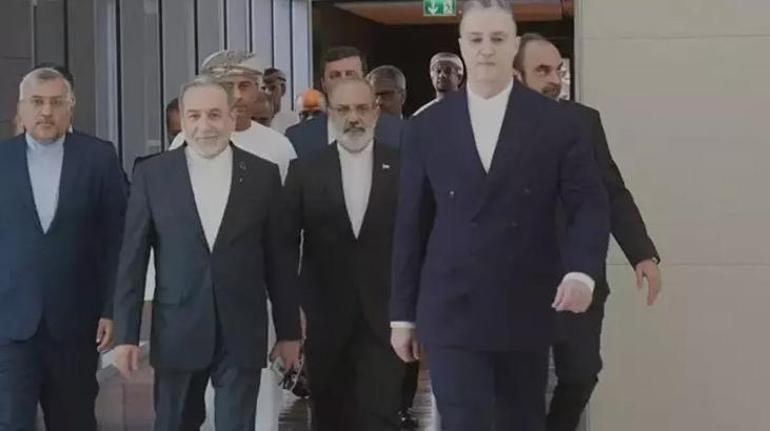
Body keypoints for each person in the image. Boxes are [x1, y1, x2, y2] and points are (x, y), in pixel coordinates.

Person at [389, 2, 611, 430]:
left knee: (520, 420)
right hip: (451, 305)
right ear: (461, 46)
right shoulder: (426, 127)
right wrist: (403, 315)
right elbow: (411, 225)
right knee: (462, 420)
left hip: (524, 302)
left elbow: (589, 202)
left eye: (497, 39)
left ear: (514, 45)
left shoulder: (557, 123)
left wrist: (582, 272)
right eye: (476, 39)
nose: (486, 49)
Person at [112, 75, 302, 431]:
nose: (205, 126)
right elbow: (132, 260)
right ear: (183, 120)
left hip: (242, 330)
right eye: (194, 116)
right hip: (177, 329)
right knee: (174, 423)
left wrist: (289, 332)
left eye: (214, 115)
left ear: (231, 118)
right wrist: (126, 335)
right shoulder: (152, 174)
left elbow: (280, 260)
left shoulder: (262, 175)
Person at [513, 33, 662, 431]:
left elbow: (612, 190)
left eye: (558, 70)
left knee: (581, 372)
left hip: (577, 271)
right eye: (542, 70)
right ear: (516, 75)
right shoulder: (493, 126)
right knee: (517, 384)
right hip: (516, 279)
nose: (553, 80)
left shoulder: (583, 121)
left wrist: (642, 253)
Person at [0, 67, 127, 430]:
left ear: (71, 108)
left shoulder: (98, 157)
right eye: (37, 102)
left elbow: (117, 239)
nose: (46, 111)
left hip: (76, 324)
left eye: (56, 103)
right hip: (10, 324)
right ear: (21, 108)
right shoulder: (2, 160)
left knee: (74, 421)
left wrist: (112, 308)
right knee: (10, 420)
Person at [283, 77, 405, 430]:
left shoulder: (404, 167)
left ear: (376, 113)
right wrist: (291, 315)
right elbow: (284, 245)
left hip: (386, 318)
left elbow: (420, 243)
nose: (354, 118)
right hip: (324, 320)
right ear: (330, 115)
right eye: (344, 109)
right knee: (329, 417)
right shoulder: (305, 171)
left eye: (362, 108)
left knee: (381, 416)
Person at [285, 46, 403, 158]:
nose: (343, 82)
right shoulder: (298, 138)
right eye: (335, 76)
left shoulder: (400, 133)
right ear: (323, 84)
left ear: (365, 81)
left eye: (350, 74)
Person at [412, 52, 464, 116]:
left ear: (459, 78)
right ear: (432, 77)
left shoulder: (470, 111)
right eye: (438, 71)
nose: (441, 75)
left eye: (447, 71)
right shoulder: (421, 114)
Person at [264, 67, 300, 133]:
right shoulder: (252, 119)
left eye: (272, 88)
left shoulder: (293, 120)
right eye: (263, 88)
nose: (267, 93)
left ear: (283, 89)